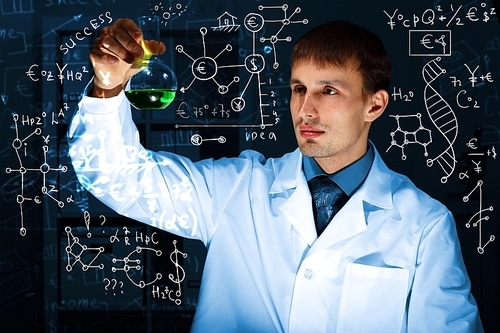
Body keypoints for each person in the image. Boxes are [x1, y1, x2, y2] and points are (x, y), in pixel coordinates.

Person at [68, 18, 483, 332]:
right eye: (299, 88)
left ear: (374, 105)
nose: (306, 110)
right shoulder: (237, 188)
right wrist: (107, 89)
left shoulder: (423, 224)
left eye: (329, 90)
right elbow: (115, 176)